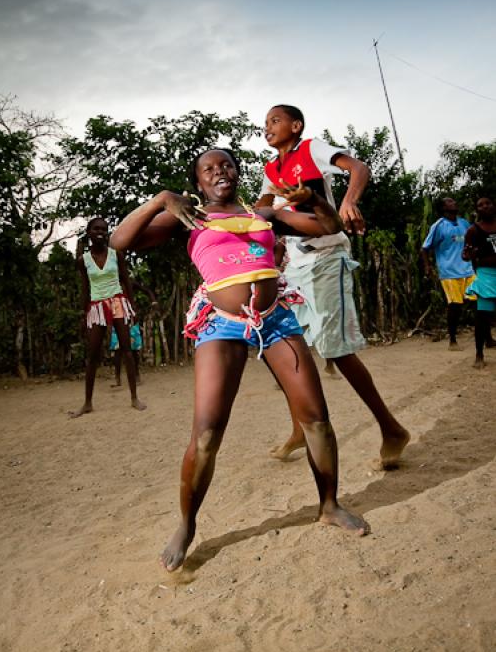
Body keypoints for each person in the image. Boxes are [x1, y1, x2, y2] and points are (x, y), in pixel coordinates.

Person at [112, 148, 370, 572]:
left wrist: (311, 199)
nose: (220, 173)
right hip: (222, 323)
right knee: (208, 431)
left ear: (238, 171)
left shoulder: (263, 212)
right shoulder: (189, 219)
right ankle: (186, 524)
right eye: (209, 169)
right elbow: (121, 240)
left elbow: (329, 225)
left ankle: (329, 504)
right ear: (198, 182)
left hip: (276, 318)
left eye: (227, 165)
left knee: (317, 419)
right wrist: (162, 199)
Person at [256, 104, 410, 467]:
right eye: (264, 124)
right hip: (294, 264)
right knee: (281, 344)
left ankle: (391, 429)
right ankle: (299, 427)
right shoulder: (271, 170)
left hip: (326, 258)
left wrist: (348, 201)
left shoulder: (311, 148)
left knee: (335, 350)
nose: (267, 127)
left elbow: (359, 167)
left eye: (275, 121)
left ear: (296, 125)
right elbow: (260, 212)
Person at [70, 217, 146, 417]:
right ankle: (87, 403)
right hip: (96, 307)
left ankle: (134, 397)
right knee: (93, 355)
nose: (100, 232)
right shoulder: (83, 261)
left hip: (118, 302)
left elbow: (126, 281)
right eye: (96, 229)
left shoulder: (116, 255)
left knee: (127, 350)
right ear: (89, 232)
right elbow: (85, 289)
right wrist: (83, 314)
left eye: (104, 229)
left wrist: (133, 308)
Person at [421, 197, 476, 349]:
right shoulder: (438, 226)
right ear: (443, 208)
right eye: (450, 202)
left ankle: (487, 338)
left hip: (468, 270)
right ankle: (452, 340)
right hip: (450, 272)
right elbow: (425, 248)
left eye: (454, 200)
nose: (455, 202)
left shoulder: (464, 223)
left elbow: (473, 241)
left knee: (481, 302)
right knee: (455, 306)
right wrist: (428, 267)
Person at [462, 196, 496, 368]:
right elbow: (465, 254)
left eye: (487, 203)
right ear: (477, 211)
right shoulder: (473, 230)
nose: (485, 207)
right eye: (480, 205)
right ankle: (479, 354)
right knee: (482, 317)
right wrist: (470, 254)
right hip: (486, 275)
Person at [109, 321, 142, 386]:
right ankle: (117, 377)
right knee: (117, 350)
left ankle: (136, 374)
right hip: (117, 320)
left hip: (130, 321)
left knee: (133, 350)